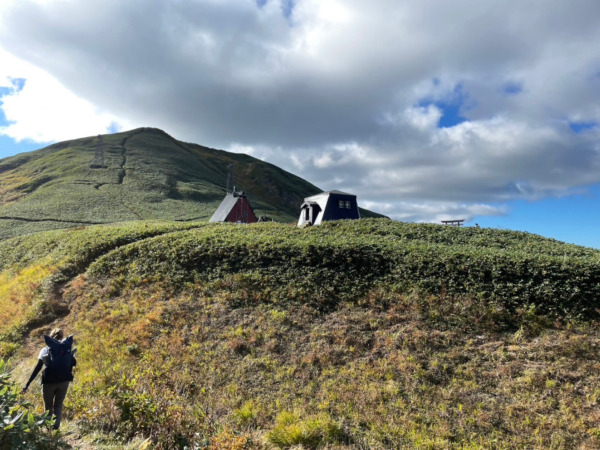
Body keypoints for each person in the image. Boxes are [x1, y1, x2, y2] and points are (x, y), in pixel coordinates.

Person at [23, 328, 76, 430]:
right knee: (58, 405)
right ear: (62, 336)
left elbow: (38, 367)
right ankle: (55, 428)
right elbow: (71, 364)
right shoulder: (68, 348)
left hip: (49, 381)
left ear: (51, 337)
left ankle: (48, 428)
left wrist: (28, 383)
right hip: (64, 381)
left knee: (48, 406)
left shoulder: (45, 349)